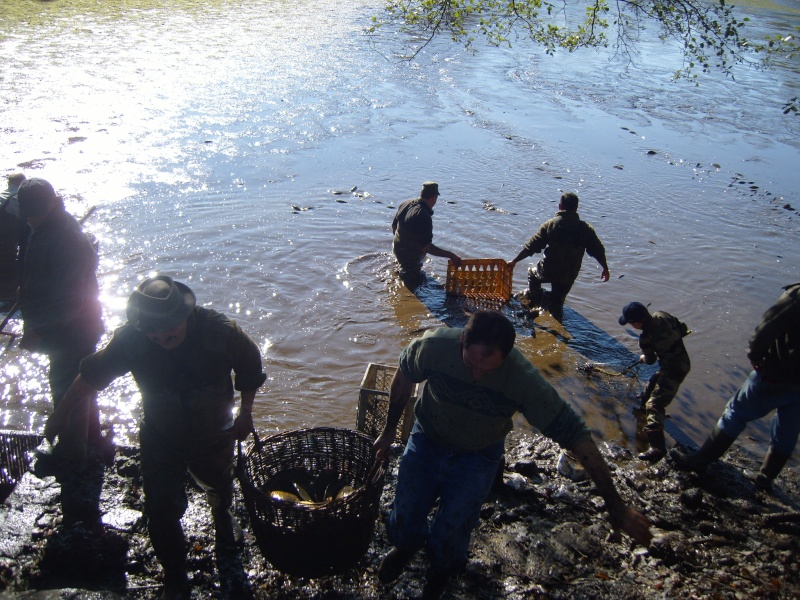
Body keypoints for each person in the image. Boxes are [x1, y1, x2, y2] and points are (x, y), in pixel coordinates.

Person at [373, 310, 652, 599]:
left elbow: (575, 434)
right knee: (405, 511)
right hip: (428, 438)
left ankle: (440, 572)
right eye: (471, 362)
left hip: (477, 455)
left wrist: (616, 505)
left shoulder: (522, 380)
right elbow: (405, 374)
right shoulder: (433, 347)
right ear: (462, 344)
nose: (477, 374)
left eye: (488, 368)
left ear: (506, 356)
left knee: (452, 529)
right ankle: (405, 548)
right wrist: (389, 430)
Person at [45, 275, 267, 600]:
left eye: (169, 327)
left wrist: (245, 412)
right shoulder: (130, 341)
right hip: (161, 435)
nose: (162, 336)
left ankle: (223, 519)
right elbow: (90, 378)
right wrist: (60, 414)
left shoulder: (220, 331)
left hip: (213, 431)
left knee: (219, 484)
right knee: (160, 510)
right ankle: (176, 578)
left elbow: (250, 366)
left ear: (184, 315)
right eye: (153, 330)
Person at [16, 177, 105, 484]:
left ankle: (72, 454)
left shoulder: (65, 240)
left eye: (35, 213)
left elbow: (70, 301)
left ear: (51, 203)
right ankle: (90, 440)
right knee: (80, 384)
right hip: (69, 327)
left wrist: (38, 330)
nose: (30, 219)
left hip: (72, 330)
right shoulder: (45, 226)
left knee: (67, 387)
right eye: (27, 214)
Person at [671, 283, 800, 492]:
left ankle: (700, 460)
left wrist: (755, 356)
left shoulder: (797, 296)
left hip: (776, 376)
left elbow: (767, 328)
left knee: (736, 412)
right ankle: (765, 479)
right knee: (788, 429)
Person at [507, 192, 609, 319]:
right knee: (557, 301)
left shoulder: (551, 224)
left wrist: (515, 260)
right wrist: (605, 268)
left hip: (548, 269)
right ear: (576, 208)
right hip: (569, 274)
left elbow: (532, 246)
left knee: (532, 273)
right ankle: (557, 317)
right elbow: (598, 250)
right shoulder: (586, 229)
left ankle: (534, 302)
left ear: (560, 206)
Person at [618, 302, 691, 462]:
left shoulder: (645, 338)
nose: (632, 325)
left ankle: (658, 448)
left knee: (655, 405)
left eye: (631, 323)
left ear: (637, 323)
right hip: (682, 361)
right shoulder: (662, 315)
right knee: (653, 383)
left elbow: (650, 360)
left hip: (673, 370)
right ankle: (641, 406)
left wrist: (644, 357)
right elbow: (682, 328)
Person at [391, 181, 462, 290]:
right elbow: (427, 247)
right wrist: (451, 255)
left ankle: (402, 271)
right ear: (434, 197)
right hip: (410, 257)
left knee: (406, 272)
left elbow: (394, 226)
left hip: (396, 248)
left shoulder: (405, 203)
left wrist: (402, 241)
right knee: (415, 285)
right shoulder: (424, 215)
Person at [0, 173, 27, 295]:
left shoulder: (2, 195)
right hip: (7, 236)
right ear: (21, 183)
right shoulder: (17, 198)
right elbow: (24, 218)